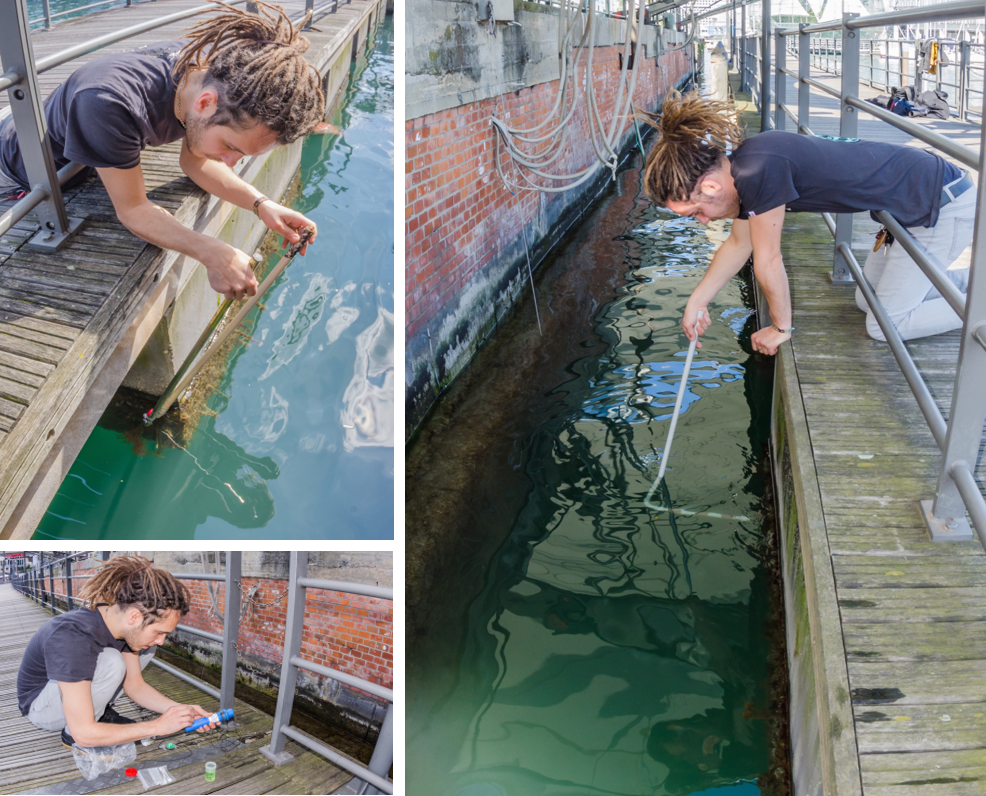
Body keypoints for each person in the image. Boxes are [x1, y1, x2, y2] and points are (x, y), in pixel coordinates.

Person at [0, 0, 324, 302]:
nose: (230, 162)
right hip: (15, 164)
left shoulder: (203, 77)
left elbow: (194, 164)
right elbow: (133, 210)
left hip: (77, 149)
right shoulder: (108, 102)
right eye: (229, 147)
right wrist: (213, 253)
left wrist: (261, 204)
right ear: (206, 104)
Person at [640, 91, 974, 355]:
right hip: (908, 208)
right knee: (866, 299)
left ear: (710, 187)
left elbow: (768, 259)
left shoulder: (758, 170)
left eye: (695, 212)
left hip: (940, 206)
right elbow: (739, 244)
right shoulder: (743, 166)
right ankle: (975, 287)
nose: (701, 221)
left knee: (887, 326)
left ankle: (980, 309)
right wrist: (697, 301)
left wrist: (781, 329)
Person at [17, 555, 220, 749]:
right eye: (159, 632)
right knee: (112, 661)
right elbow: (84, 733)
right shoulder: (73, 637)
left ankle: (98, 714)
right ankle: (70, 735)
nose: (162, 640)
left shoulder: (119, 622)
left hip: (70, 695)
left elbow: (135, 686)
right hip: (41, 708)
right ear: (134, 617)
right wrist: (158, 726)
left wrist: (184, 713)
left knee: (146, 647)